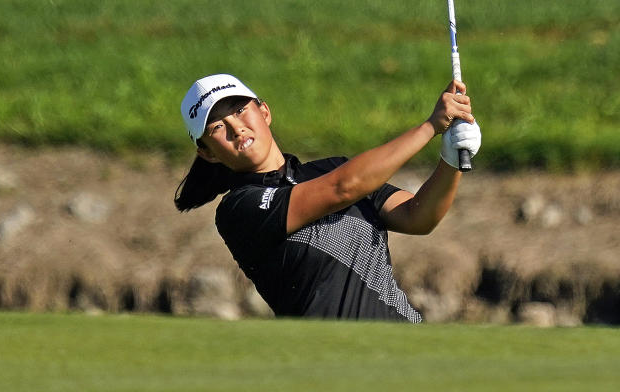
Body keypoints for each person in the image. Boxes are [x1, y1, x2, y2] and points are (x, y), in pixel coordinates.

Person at [175, 73, 481, 322]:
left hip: (407, 342)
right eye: (217, 126)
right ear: (206, 153)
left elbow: (418, 216)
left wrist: (450, 160)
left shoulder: (331, 168)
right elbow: (342, 189)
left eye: (240, 110)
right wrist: (430, 127)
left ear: (264, 112)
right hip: (331, 361)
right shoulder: (239, 208)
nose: (236, 127)